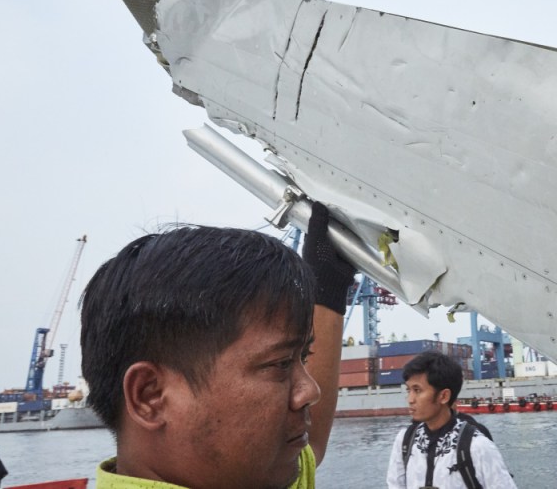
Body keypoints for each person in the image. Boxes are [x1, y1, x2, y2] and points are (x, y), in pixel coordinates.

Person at [80, 202, 354, 489]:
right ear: (151, 396)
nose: (311, 391)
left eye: (303, 357)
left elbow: (312, 447)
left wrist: (328, 289)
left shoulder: (252, 473)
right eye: (280, 364)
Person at [386, 350, 516, 488]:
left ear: (444, 396)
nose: (410, 399)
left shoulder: (477, 446)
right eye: (408, 390)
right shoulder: (405, 441)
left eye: (417, 390)